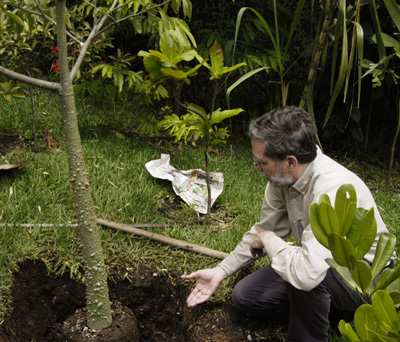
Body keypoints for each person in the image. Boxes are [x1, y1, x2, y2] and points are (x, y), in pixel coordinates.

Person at [185, 106, 394, 342]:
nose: (256, 168)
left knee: (303, 275)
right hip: (319, 263)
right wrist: (220, 271)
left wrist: (268, 239)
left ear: (290, 161)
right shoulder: (281, 180)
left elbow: (305, 273)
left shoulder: (332, 189)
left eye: (261, 162)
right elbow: (264, 228)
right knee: (246, 295)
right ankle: (331, 317)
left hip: (365, 280)